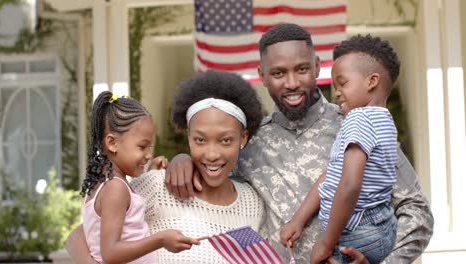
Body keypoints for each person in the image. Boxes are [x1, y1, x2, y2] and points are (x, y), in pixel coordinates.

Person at [165, 23, 434, 263]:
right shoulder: (248, 143)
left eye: (302, 69)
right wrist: (183, 160)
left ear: (317, 66)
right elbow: (213, 174)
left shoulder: (357, 124)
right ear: (262, 75)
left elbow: (417, 212)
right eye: (279, 73)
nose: (292, 83)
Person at [66, 70, 266, 263]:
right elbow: (79, 237)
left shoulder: (253, 203)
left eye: (225, 140)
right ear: (188, 136)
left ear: (243, 137)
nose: (212, 154)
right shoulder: (157, 186)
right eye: (200, 140)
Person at [281, 34, 400, 264]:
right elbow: (333, 174)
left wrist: (326, 243)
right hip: (381, 229)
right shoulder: (384, 120)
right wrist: (298, 220)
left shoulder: (358, 119)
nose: (335, 92)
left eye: (342, 83)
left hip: (355, 231)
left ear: (371, 81)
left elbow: (350, 185)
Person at [80, 91, 200, 264]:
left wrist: (150, 172)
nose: (148, 154)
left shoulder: (105, 185)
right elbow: (111, 253)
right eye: (142, 146)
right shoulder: (116, 189)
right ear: (112, 143)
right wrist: (160, 240)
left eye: (149, 147)